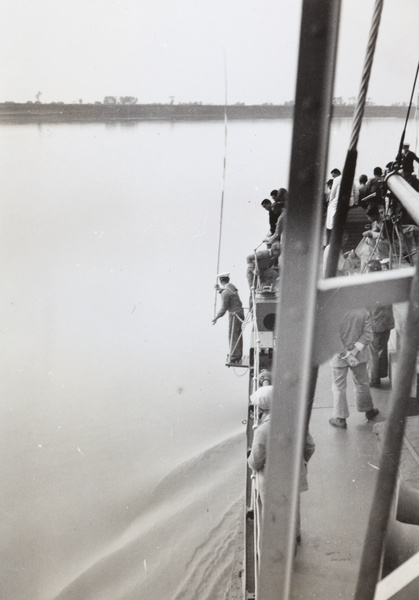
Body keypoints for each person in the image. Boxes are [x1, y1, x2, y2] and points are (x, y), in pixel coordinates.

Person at [247, 385, 315, 551]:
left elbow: (256, 460)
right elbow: (310, 446)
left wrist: (250, 460)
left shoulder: (262, 431)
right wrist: (301, 463)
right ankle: (296, 534)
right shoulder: (297, 419)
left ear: (263, 408)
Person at [329, 308, 379, 429]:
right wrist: (354, 352)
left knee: (339, 386)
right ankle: (368, 410)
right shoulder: (363, 311)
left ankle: (340, 418)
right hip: (359, 356)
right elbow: (368, 335)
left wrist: (346, 355)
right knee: (362, 383)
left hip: (338, 356)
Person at [366, 260, 395, 387]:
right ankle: (381, 373)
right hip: (387, 322)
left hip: (375, 324)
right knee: (382, 349)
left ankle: (374, 379)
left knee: (372, 352)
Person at [212, 273, 245, 364]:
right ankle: (237, 354)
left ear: (221, 281)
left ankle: (234, 356)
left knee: (233, 335)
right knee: (237, 334)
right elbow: (227, 293)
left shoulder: (225, 292)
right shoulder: (231, 287)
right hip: (239, 313)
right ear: (228, 280)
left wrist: (216, 317)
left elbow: (224, 308)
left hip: (234, 315)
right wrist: (219, 290)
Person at [325, 168, 342, 244]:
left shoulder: (337, 179)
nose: (333, 178)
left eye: (333, 176)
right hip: (348, 200)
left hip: (338, 200)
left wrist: (330, 200)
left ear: (337, 174)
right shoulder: (347, 178)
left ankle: (331, 227)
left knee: (330, 208)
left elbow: (333, 192)